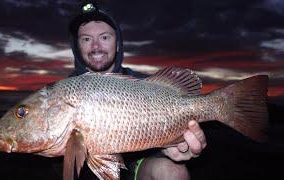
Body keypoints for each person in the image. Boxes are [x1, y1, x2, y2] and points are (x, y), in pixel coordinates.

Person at [67, 2, 207, 180]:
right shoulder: (64, 91)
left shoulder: (144, 84)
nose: (95, 46)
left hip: (137, 167)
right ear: (77, 47)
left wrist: (171, 147)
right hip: (85, 175)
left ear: (117, 44)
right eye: (86, 39)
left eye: (104, 37)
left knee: (174, 173)